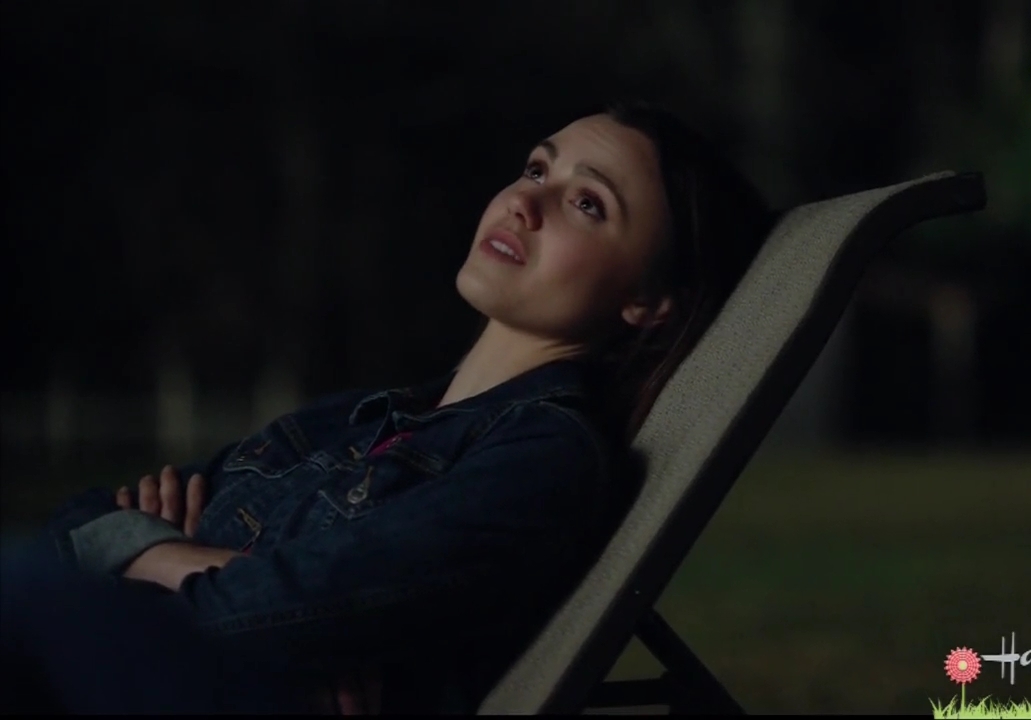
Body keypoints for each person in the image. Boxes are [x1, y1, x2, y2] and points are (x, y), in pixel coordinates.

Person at [23, 99, 775, 714]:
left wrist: (138, 554)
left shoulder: (543, 461)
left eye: (587, 203)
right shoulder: (356, 419)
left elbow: (267, 611)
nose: (524, 202)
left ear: (648, 301)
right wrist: (168, 561)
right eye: (535, 168)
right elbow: (76, 523)